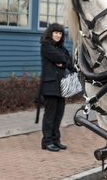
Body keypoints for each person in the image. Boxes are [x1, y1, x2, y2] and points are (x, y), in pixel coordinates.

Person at [39, 23, 74, 152]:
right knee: (50, 115)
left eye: (60, 33)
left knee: (58, 115)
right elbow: (59, 57)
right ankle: (47, 141)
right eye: (56, 33)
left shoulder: (62, 48)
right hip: (50, 85)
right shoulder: (46, 46)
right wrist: (63, 60)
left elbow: (70, 63)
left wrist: (63, 63)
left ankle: (55, 140)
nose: (58, 35)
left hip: (61, 86)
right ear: (50, 33)